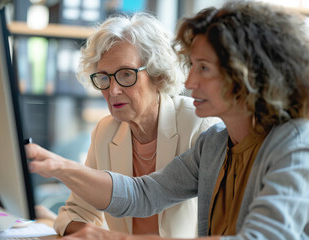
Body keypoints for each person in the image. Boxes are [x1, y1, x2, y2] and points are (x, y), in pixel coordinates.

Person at [26, 1, 309, 239]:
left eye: (203, 68)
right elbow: (143, 194)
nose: (190, 80)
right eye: (192, 66)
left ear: (247, 74)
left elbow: (262, 237)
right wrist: (56, 166)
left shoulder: (298, 141)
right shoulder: (215, 145)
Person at [50, 12, 219, 238]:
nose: (113, 90)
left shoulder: (199, 124)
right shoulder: (105, 131)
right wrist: (90, 232)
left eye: (126, 74)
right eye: (104, 77)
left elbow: (221, 226)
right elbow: (75, 211)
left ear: (157, 75)